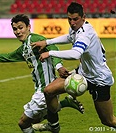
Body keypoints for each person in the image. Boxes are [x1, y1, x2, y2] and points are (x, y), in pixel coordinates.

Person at [0, 14, 84, 133]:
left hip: (45, 89)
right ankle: (65, 105)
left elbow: (52, 48)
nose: (18, 32)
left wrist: (59, 66)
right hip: (46, 89)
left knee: (23, 122)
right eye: (15, 29)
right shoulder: (23, 48)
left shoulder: (34, 39)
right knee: (45, 117)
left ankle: (60, 112)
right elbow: (5, 57)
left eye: (21, 28)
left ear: (28, 27)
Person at [31, 2, 116, 131]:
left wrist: (50, 53)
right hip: (83, 73)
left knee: (108, 121)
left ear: (83, 17)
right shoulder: (76, 29)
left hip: (99, 79)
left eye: (75, 19)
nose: (72, 22)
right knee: (48, 91)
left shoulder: (85, 34)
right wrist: (47, 42)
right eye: (69, 19)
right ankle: (53, 125)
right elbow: (69, 37)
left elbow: (76, 53)